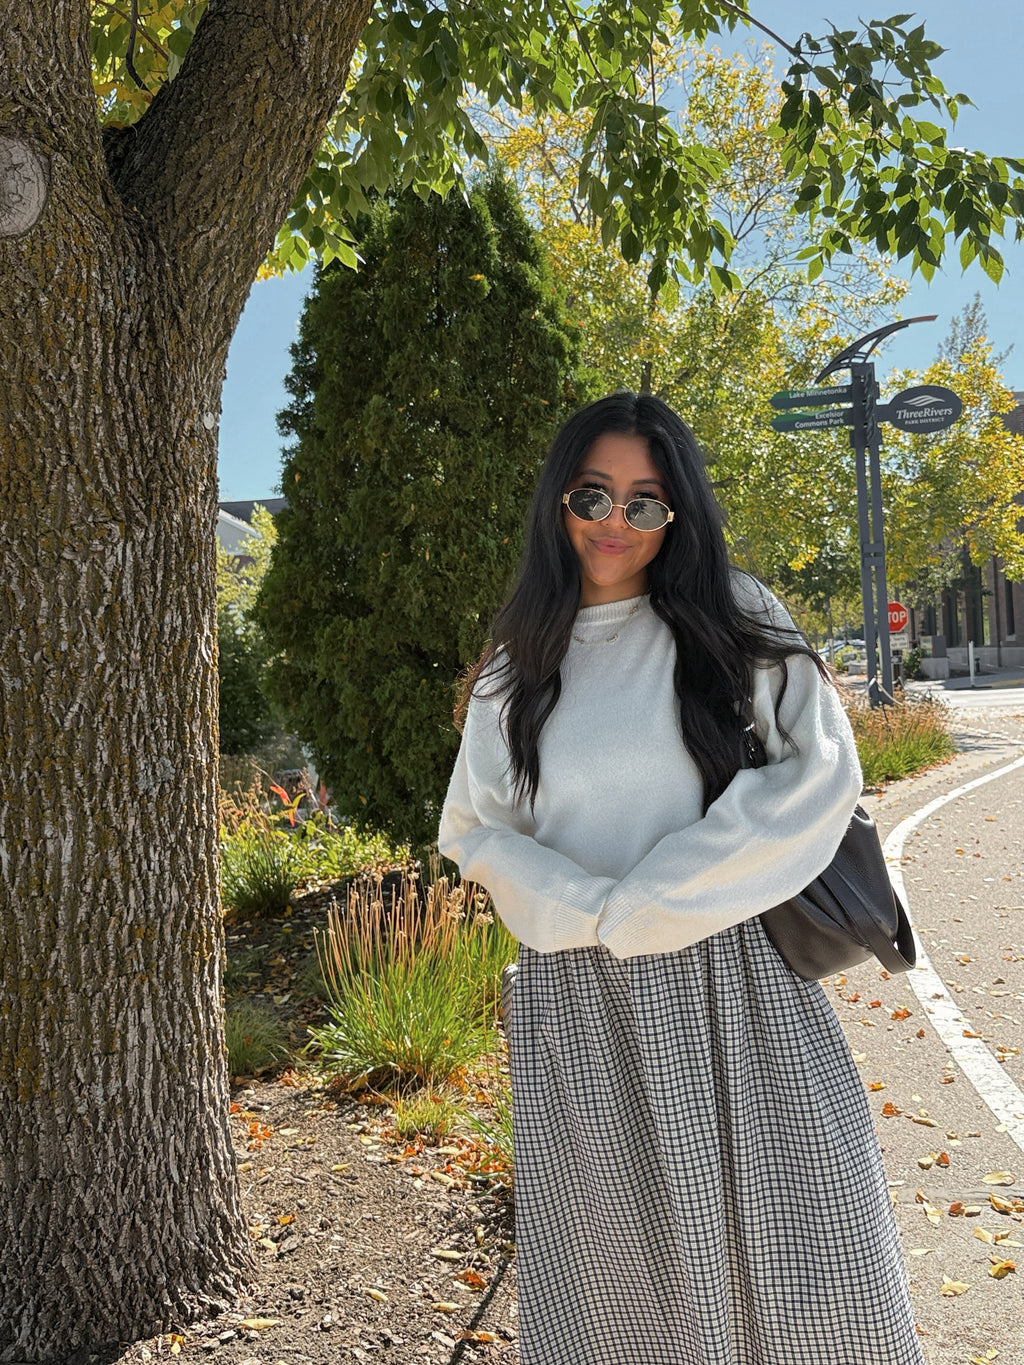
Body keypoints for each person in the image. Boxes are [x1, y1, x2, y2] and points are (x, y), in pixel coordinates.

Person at [438, 393, 923, 1365]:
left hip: (739, 990)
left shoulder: (734, 618)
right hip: (584, 1009)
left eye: (645, 502)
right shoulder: (514, 672)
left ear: (677, 513)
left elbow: (820, 774)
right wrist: (597, 914)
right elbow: (476, 830)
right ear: (558, 502)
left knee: (812, 1291)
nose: (615, 523)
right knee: (625, 1307)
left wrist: (654, 900)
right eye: (593, 495)